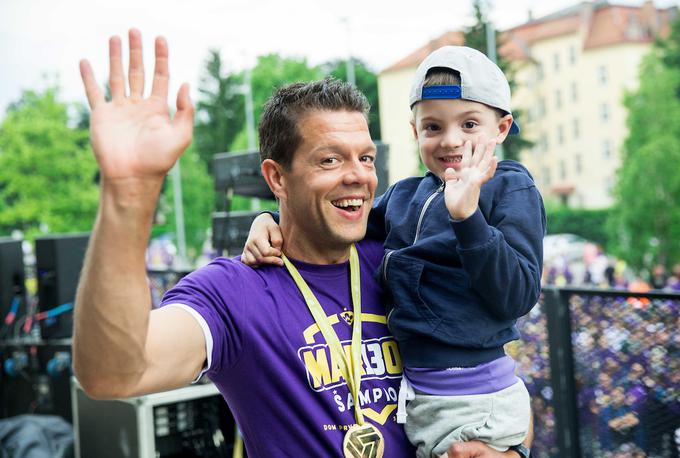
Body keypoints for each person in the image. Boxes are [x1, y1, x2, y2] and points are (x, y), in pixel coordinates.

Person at [72, 30, 531, 458]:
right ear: (276, 177)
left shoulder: (398, 257)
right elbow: (114, 372)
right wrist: (128, 196)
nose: (357, 175)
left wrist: (512, 451)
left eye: (365, 157)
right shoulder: (237, 290)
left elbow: (496, 383)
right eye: (329, 159)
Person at [243, 46, 545, 457]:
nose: (451, 140)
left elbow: (518, 295)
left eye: (470, 124)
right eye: (433, 127)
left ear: (502, 128)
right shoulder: (405, 196)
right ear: (414, 131)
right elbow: (342, 221)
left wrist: (467, 218)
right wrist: (268, 219)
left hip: (476, 400)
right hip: (419, 397)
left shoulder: (510, 186)